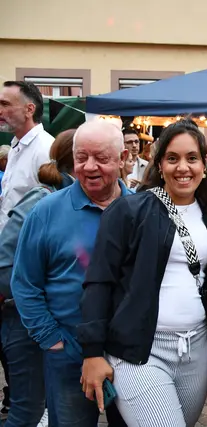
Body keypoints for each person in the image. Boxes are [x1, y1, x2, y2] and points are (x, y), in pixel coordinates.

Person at [78, 119, 207, 426]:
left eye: (192, 158)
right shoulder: (129, 211)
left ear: (204, 166)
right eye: (173, 158)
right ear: (159, 165)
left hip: (197, 349)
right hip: (140, 350)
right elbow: (99, 282)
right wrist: (92, 352)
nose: (183, 167)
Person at [10, 120, 130, 427]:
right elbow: (24, 283)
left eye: (101, 158)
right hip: (69, 353)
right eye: (81, 157)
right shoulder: (46, 211)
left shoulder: (140, 209)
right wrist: (53, 341)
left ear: (123, 158)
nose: (89, 167)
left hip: (130, 355)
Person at [0, 129, 75, 427]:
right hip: (23, 321)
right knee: (27, 411)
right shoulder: (42, 199)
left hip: (50, 322)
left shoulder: (82, 201)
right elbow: (4, 265)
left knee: (46, 407)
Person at [0, 81, 54, 233]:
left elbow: (52, 209)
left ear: (29, 110)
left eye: (5, 104)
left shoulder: (46, 149)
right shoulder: (16, 146)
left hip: (27, 243)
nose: (0, 110)